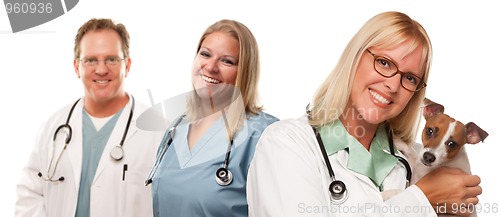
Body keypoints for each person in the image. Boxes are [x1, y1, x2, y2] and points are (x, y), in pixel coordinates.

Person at [247, 11, 482, 217]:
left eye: (410, 78)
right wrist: (422, 198)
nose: (393, 85)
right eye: (384, 63)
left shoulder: (415, 161)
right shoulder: (286, 144)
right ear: (355, 56)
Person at [15, 18, 162, 217]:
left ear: (127, 65)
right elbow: (29, 194)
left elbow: (171, 201)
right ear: (77, 67)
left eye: (112, 59)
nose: (101, 69)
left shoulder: (156, 130)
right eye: (91, 60)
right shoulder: (53, 127)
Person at [146, 19, 278, 217]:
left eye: (227, 61)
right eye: (205, 54)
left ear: (244, 71)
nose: (210, 67)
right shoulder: (176, 129)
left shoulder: (265, 134)